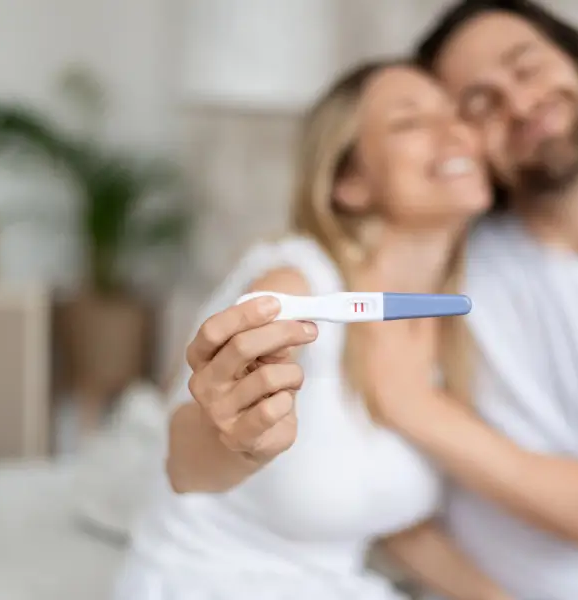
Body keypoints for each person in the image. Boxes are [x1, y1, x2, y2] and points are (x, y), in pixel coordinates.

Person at [176, 1, 578, 600]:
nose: (518, 102)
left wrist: (415, 406)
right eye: (479, 103)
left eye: (528, 67)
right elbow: (364, 484)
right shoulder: (442, 256)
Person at [112, 58, 512, 600]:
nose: (456, 132)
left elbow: (391, 524)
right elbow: (184, 462)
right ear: (350, 183)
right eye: (410, 122)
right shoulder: (296, 287)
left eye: (457, 115)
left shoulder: (450, 327)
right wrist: (237, 438)